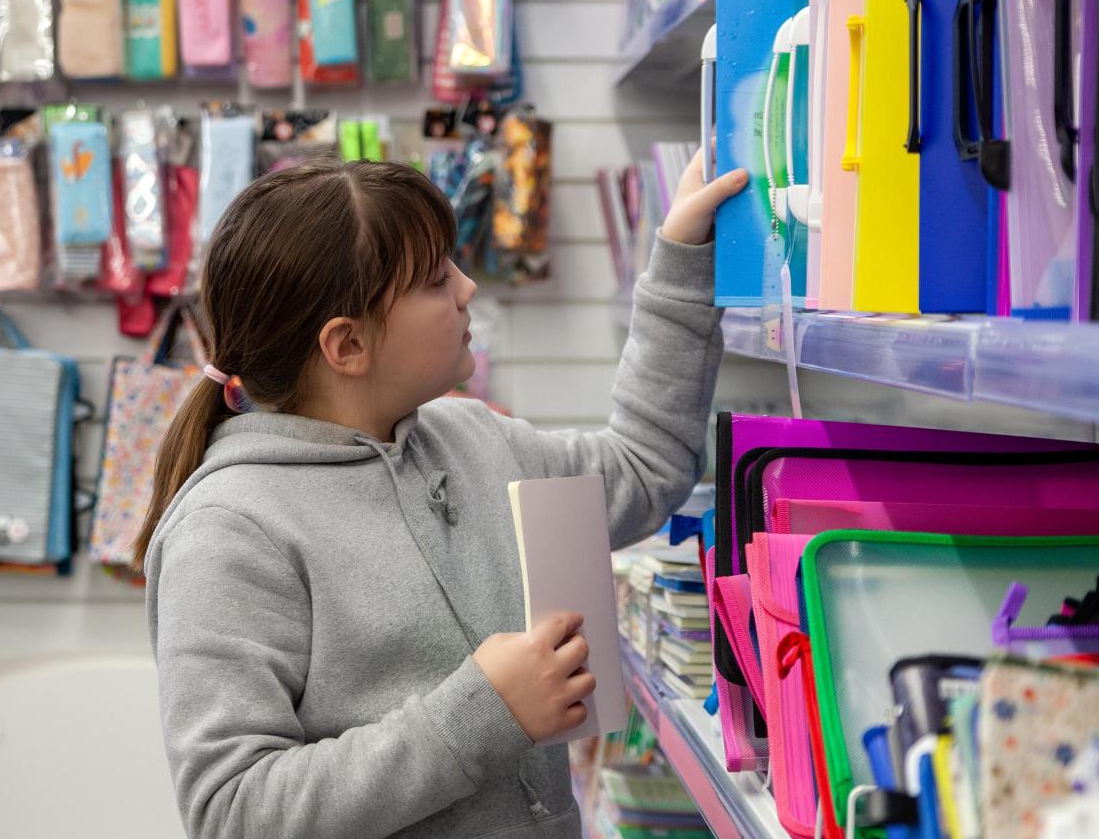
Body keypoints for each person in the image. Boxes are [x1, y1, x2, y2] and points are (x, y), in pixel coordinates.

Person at [140, 151, 746, 838]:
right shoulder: (229, 530)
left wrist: (682, 254)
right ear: (347, 346)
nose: (467, 288)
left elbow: (643, 466)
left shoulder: (475, 439)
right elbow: (233, 812)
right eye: (435, 279)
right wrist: (485, 713)